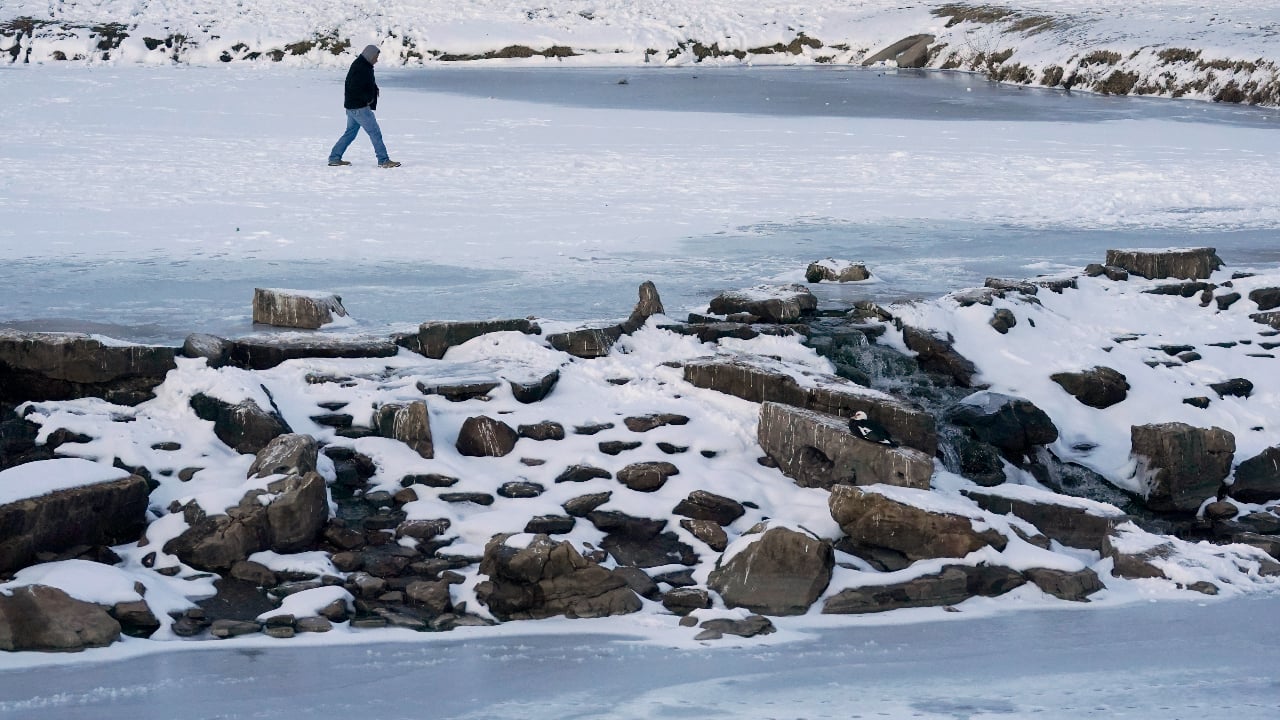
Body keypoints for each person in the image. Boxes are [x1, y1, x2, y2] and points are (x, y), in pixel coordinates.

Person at [328, 45, 400, 168]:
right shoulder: (361, 67)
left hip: (352, 107)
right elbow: (354, 87)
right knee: (375, 132)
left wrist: (373, 90)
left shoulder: (363, 65)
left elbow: (364, 83)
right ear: (370, 55)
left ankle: (334, 158)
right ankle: (383, 160)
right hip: (359, 108)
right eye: (376, 57)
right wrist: (367, 99)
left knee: (350, 133)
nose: (377, 60)